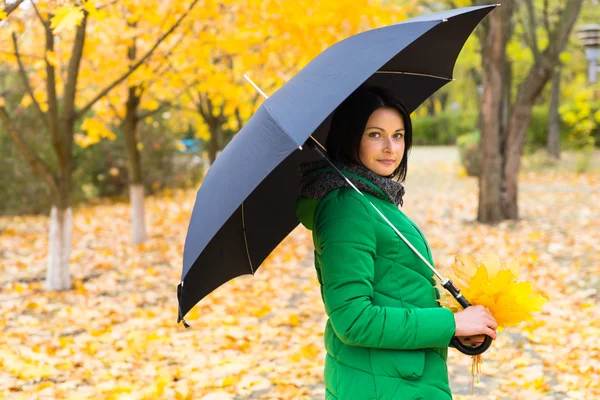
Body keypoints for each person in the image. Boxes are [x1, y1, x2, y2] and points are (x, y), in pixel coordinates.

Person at [295, 85, 498, 400]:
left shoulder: (374, 201)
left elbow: (397, 295)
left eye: (398, 135)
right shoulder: (346, 209)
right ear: (351, 137)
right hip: (382, 385)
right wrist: (451, 323)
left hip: (402, 377)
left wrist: (458, 332)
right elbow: (353, 319)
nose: (390, 147)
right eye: (375, 134)